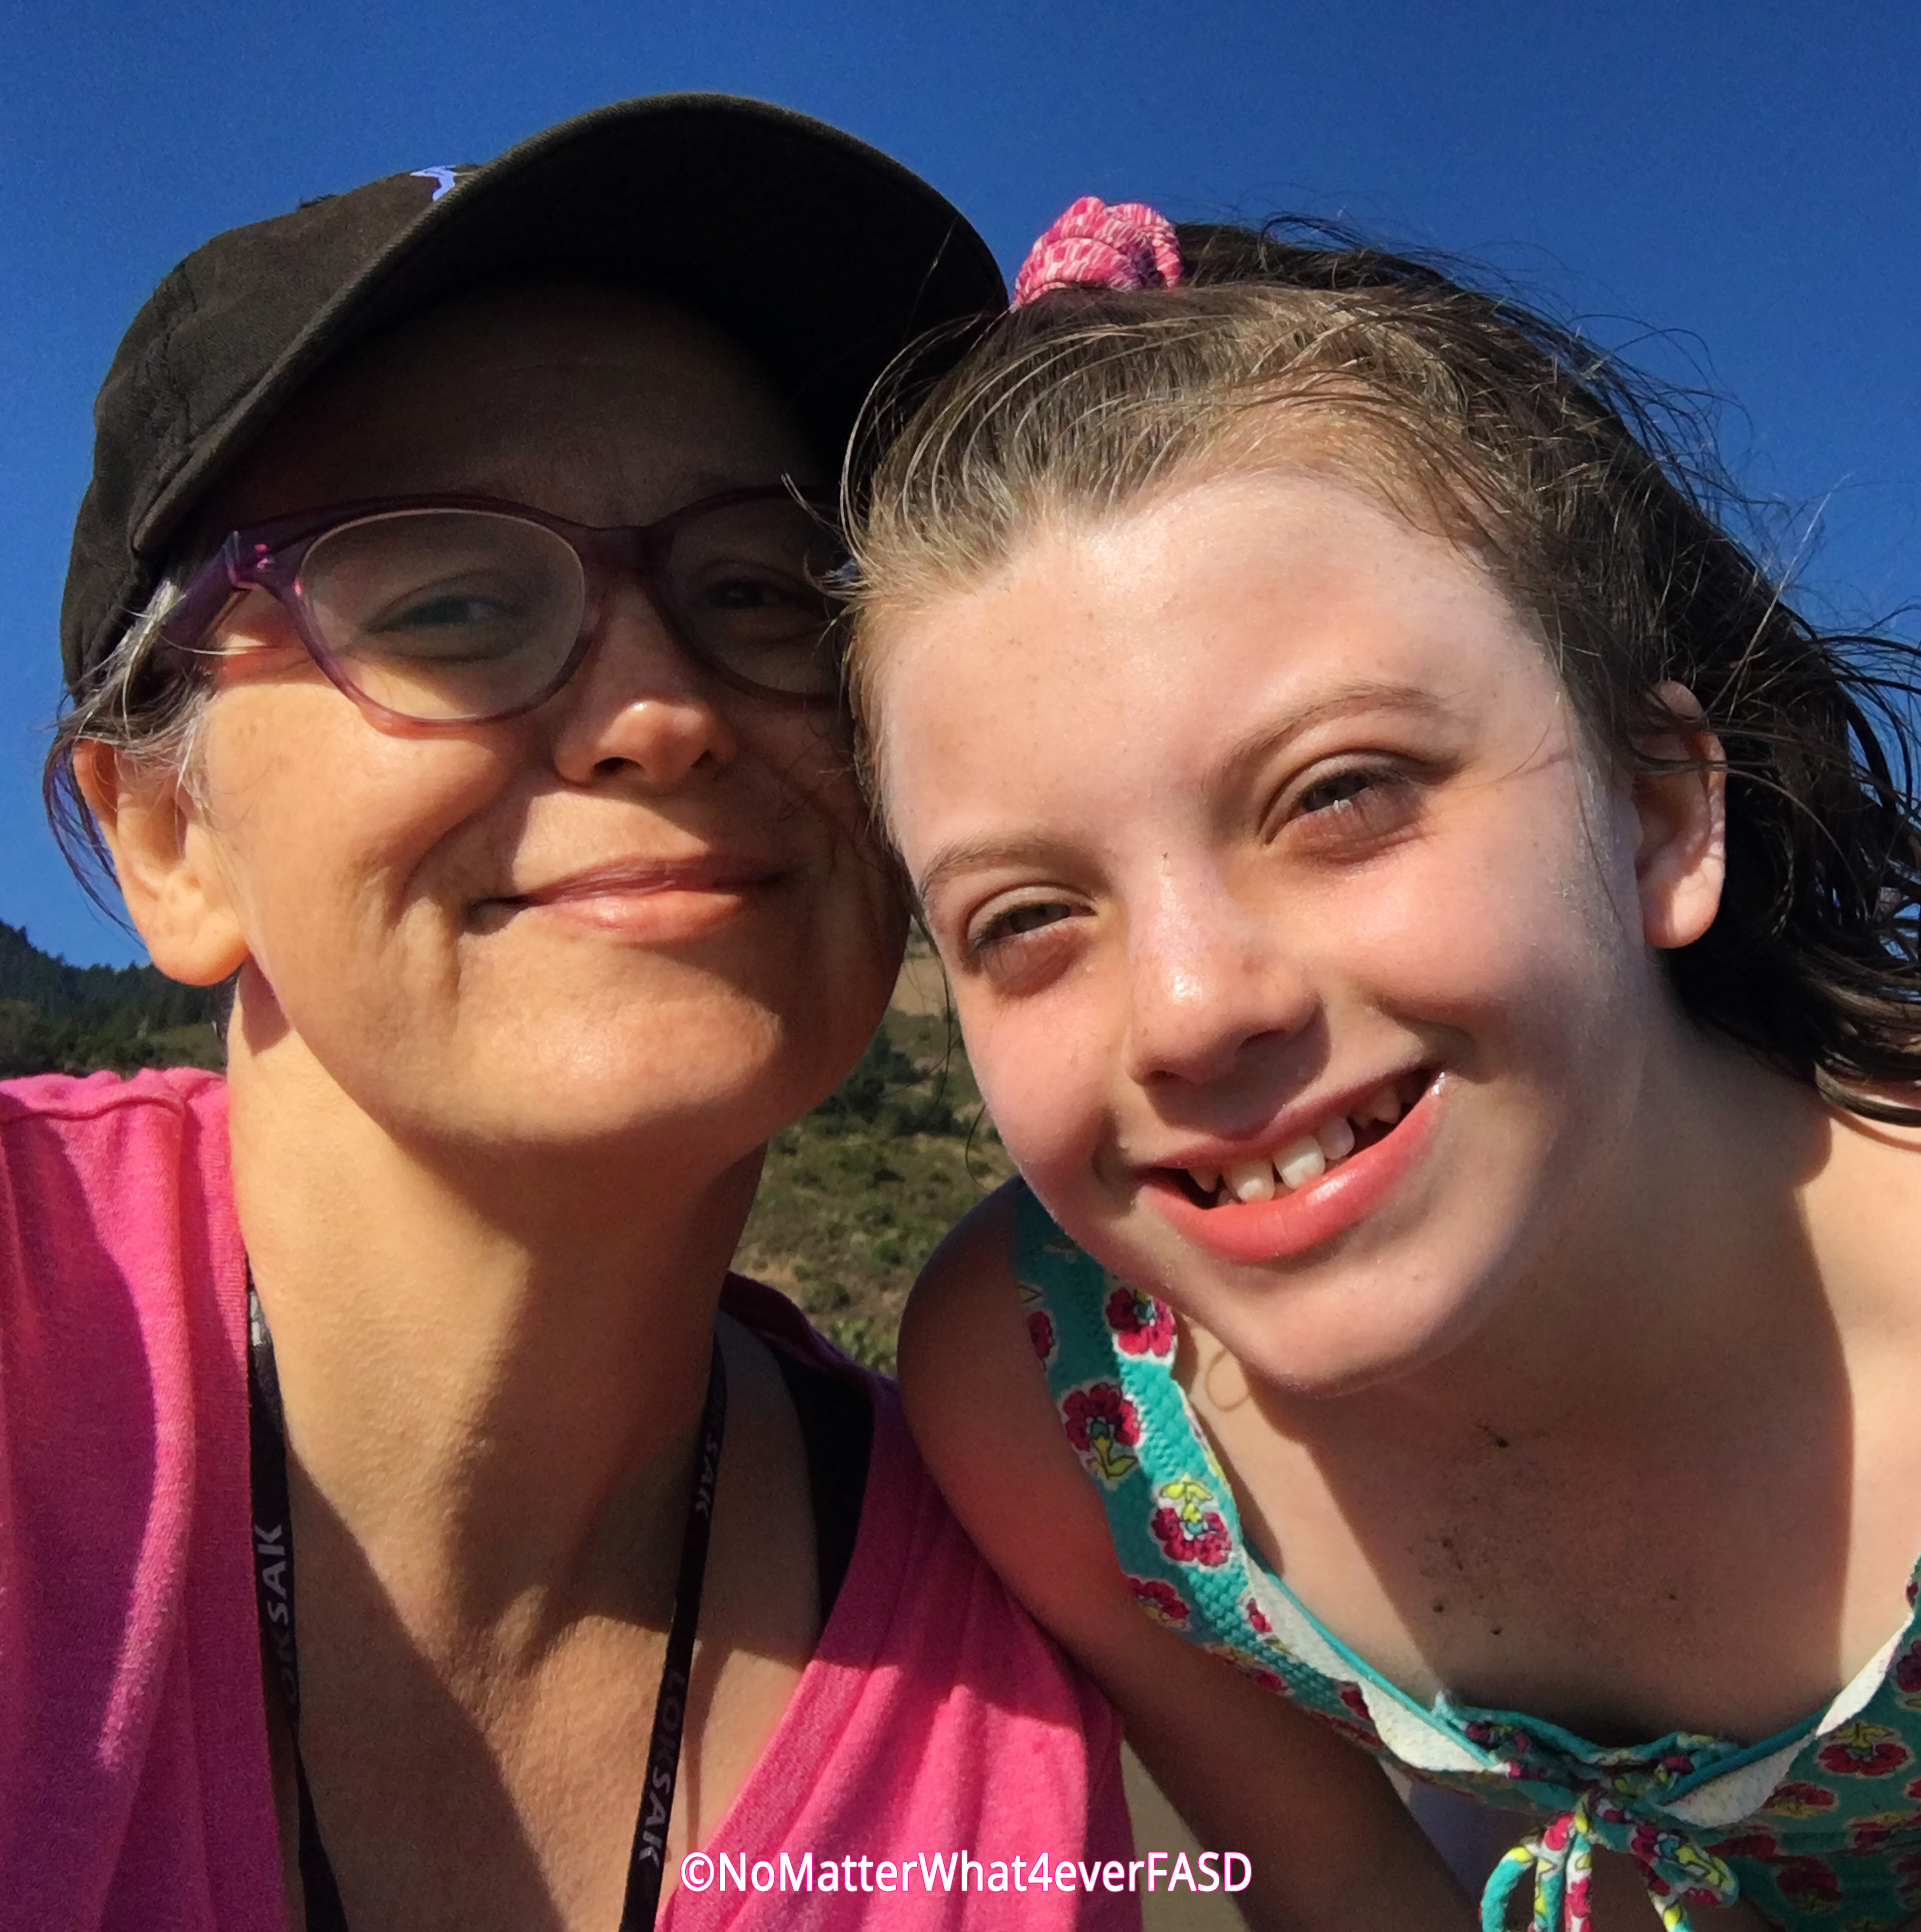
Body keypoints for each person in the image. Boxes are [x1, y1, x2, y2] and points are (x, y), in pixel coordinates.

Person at [1, 105, 1141, 1932]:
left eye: (764, 590)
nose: (662, 708)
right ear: (167, 838)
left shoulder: (1015, 1664)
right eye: (449, 603)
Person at [845, 195, 1921, 1930]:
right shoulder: (1064, 1403)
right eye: (1031, 915)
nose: (1192, 1007)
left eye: (1340, 795)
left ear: (1657, 812)